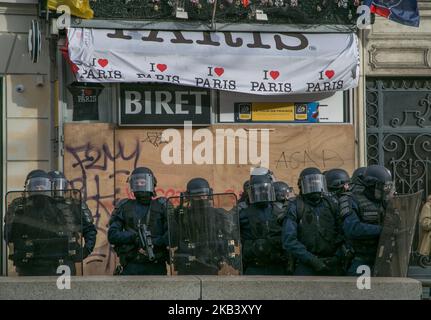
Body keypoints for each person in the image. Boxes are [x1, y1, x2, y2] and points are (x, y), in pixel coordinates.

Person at [4, 170, 79, 276]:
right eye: (36, 186)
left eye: (42, 186)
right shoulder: (20, 207)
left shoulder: (58, 207)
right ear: (28, 188)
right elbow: (10, 234)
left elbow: (69, 231)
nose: (39, 189)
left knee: (63, 291)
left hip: (56, 262)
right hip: (30, 263)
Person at [168, 178, 240, 275]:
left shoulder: (218, 215)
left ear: (209, 194)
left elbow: (227, 241)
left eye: (204, 195)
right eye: (197, 196)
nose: (202, 199)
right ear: (189, 197)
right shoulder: (181, 215)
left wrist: (226, 258)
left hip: (211, 264)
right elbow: (172, 241)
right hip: (187, 266)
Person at [282, 167, 343, 276]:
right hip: (306, 265)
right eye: (310, 184)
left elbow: (343, 233)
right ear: (301, 186)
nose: (314, 188)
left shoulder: (331, 204)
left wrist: (337, 256)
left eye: (317, 183)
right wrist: (311, 260)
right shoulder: (295, 206)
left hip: (331, 263)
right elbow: (289, 240)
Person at [108, 167, 168, 275]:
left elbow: (171, 236)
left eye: (143, 182)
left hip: (156, 265)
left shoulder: (162, 206)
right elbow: (112, 235)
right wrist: (133, 237)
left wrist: (153, 242)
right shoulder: (124, 206)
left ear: (151, 183)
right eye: (137, 182)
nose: (140, 185)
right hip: (131, 265)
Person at [342, 165, 394, 275]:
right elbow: (352, 228)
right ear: (371, 185)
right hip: (361, 259)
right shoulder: (350, 199)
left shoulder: (383, 201)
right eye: (382, 187)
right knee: (361, 291)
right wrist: (382, 230)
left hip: (383, 259)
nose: (385, 190)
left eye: (387, 187)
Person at [239, 174, 289, 275]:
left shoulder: (280, 212)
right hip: (254, 266)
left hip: (277, 265)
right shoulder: (243, 213)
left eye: (264, 190)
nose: (262, 193)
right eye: (258, 190)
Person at [48, 171, 97, 262]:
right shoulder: (41, 206)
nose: (58, 189)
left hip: (68, 256)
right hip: (44, 258)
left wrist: (86, 250)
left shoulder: (74, 205)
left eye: (60, 185)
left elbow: (89, 228)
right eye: (55, 185)